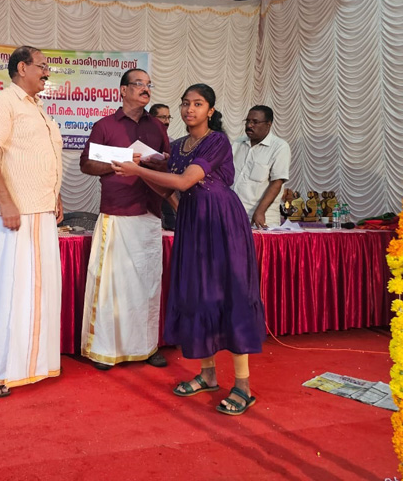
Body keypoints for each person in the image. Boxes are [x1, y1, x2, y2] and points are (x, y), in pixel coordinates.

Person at [112, 83, 265, 416]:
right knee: (198, 295)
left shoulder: (217, 141)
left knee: (230, 296)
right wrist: (142, 171)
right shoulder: (178, 146)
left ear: (210, 110)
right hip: (193, 223)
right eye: (185, 103)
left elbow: (183, 182)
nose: (189, 109)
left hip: (222, 224)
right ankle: (207, 375)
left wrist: (137, 169)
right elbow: (168, 189)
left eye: (197, 104)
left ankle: (242, 385)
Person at [0, 46, 64, 398]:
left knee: (37, 293)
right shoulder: (3, 102)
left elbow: (38, 159)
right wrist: (5, 202)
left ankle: (30, 365)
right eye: (42, 66)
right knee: (7, 291)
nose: (47, 72)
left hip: (41, 212)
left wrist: (55, 195)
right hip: (15, 215)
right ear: (22, 68)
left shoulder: (38, 108)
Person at [79, 68, 171, 370]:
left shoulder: (157, 126)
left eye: (149, 84)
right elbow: (87, 165)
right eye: (139, 84)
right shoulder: (105, 125)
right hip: (117, 214)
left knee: (147, 285)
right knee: (112, 286)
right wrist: (117, 163)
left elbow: (168, 165)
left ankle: (146, 347)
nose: (145, 89)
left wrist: (158, 163)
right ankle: (106, 349)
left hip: (150, 213)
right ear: (123, 90)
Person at [231, 105, 290, 229]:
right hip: (232, 216)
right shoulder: (238, 143)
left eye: (255, 122)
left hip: (259, 218)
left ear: (268, 124)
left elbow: (276, 183)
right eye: (247, 121)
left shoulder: (279, 147)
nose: (249, 125)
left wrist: (260, 211)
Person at [149, 103, 177, 231]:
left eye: (168, 117)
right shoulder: (143, 141)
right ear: (152, 119)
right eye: (163, 117)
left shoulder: (173, 143)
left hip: (167, 198)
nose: (166, 122)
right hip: (145, 199)